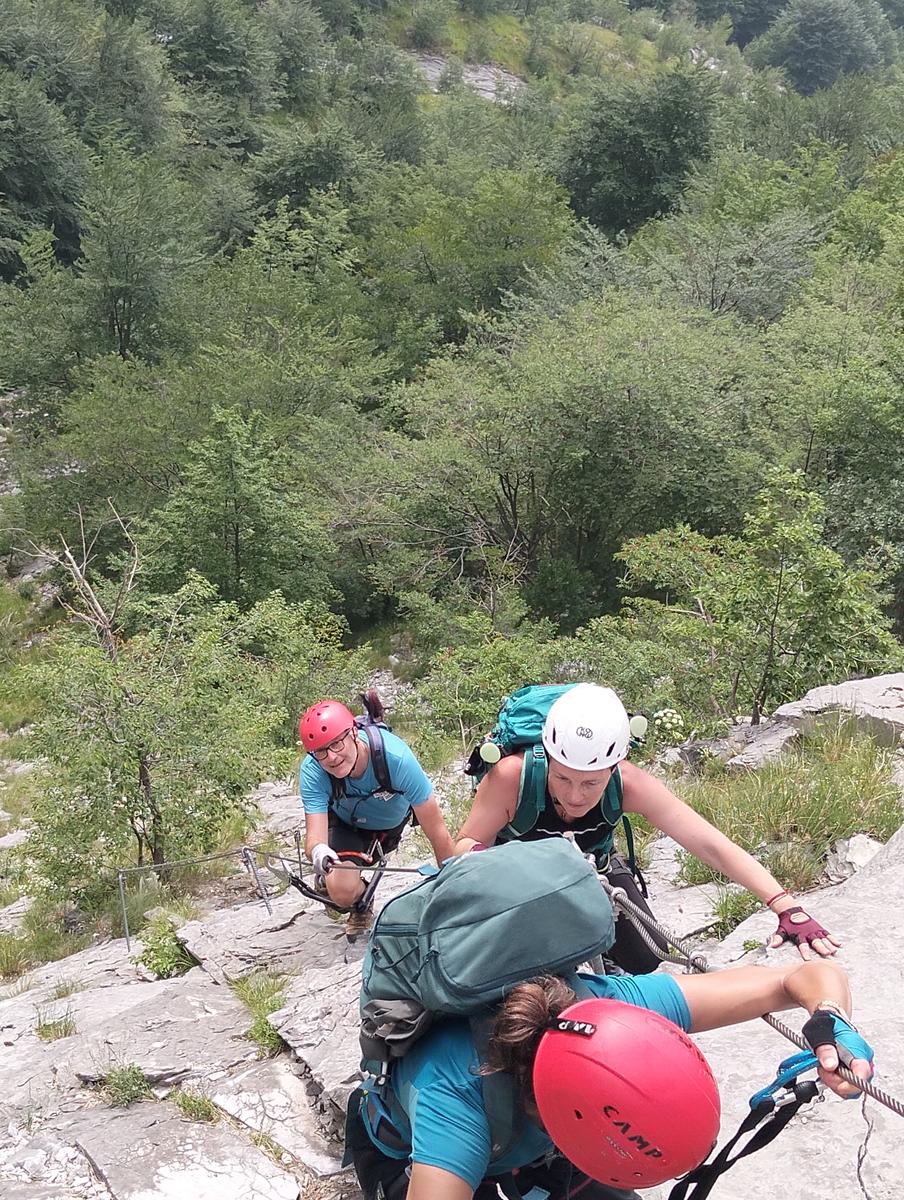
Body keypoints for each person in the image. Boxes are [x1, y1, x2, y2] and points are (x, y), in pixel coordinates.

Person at [346, 956, 873, 1200]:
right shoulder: (456, 1102)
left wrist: (831, 1020)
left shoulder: (619, 1009)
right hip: (407, 1159)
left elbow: (797, 978)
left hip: (533, 1156)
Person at [454, 683, 838, 971]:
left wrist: (785, 905)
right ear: (547, 757)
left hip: (596, 872)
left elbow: (708, 843)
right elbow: (465, 844)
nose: (575, 796)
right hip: (516, 885)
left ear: (613, 767)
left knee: (646, 957)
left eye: (591, 783)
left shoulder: (629, 783)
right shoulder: (512, 776)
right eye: (563, 779)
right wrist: (505, 872)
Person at [299, 696, 455, 937]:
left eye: (336, 744)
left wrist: (453, 889)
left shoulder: (396, 759)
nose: (331, 757)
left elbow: (438, 832)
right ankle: (360, 899)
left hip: (386, 827)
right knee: (340, 891)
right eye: (320, 751)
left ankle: (342, 886)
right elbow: (314, 839)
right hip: (342, 824)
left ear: (353, 733)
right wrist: (319, 852)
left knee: (336, 888)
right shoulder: (313, 770)